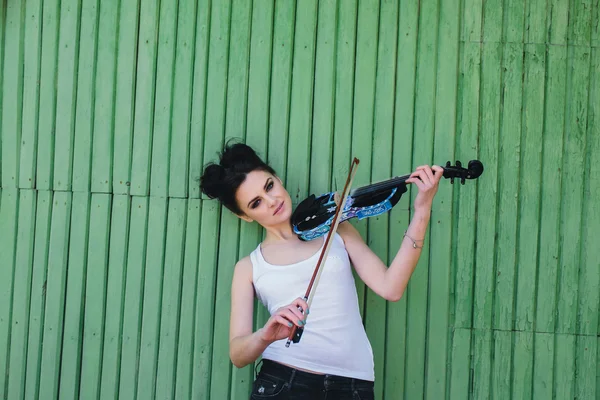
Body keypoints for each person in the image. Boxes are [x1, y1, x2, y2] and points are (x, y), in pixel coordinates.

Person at [200, 141, 443, 400]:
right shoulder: (249, 267)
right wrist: (265, 334)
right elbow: (238, 354)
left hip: (353, 387)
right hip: (283, 382)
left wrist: (422, 210)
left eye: (269, 186)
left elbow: (390, 287)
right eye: (256, 203)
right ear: (245, 216)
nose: (272, 202)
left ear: (278, 178)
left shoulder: (335, 226)